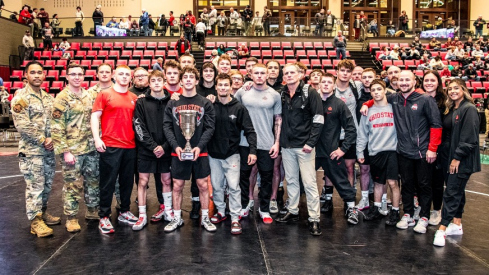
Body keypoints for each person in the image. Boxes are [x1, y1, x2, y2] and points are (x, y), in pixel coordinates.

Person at [360, 70, 442, 234]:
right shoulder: (395, 98)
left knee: (424, 185)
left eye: (407, 80)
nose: (404, 83)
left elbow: (436, 124)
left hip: (422, 151)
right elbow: (378, 98)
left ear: (414, 81)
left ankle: (424, 217)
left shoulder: (425, 99)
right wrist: (366, 104)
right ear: (397, 82)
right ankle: (408, 214)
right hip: (403, 151)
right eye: (401, 80)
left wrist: (432, 148)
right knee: (407, 185)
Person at [162, 67, 216, 232]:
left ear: (196, 81)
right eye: (185, 77)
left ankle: (205, 217)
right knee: (177, 185)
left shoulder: (205, 102)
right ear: (181, 80)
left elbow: (210, 127)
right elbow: (167, 126)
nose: (188, 80)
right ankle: (176, 218)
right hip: (178, 150)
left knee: (202, 185)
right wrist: (176, 146)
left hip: (200, 151)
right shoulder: (173, 102)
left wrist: (199, 147)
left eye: (191, 77)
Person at [11, 61, 59, 238]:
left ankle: (43, 212)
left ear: (44, 75)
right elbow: (22, 124)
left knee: (46, 185)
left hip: (48, 151)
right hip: (32, 151)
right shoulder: (20, 98)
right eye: (33, 72)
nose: (37, 75)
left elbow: (55, 121)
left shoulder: (47, 98)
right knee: (35, 186)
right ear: (26, 75)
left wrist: (53, 139)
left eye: (40, 72)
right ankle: (35, 221)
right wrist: (42, 139)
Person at [275, 64, 324, 236]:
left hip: (305, 147)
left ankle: (314, 218)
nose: (289, 75)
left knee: (310, 183)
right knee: (292, 181)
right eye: (286, 73)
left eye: (292, 72)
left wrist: (311, 143)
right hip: (287, 146)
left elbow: (318, 120)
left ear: (300, 74)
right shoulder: (282, 93)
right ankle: (293, 210)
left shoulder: (310, 93)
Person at [205, 73, 257, 234]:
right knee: (217, 186)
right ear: (216, 87)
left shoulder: (238, 107)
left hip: (232, 154)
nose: (223, 88)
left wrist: (253, 151)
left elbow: (250, 130)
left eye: (225, 85)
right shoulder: (210, 105)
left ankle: (235, 217)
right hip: (213, 154)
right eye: (220, 85)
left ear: (230, 86)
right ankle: (221, 211)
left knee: (234, 187)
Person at [50, 64, 99, 233]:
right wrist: (65, 151)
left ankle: (92, 210)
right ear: (67, 76)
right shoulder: (62, 98)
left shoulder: (88, 95)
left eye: (80, 74)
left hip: (90, 147)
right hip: (73, 150)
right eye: (73, 74)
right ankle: (71, 217)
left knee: (93, 181)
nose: (77, 77)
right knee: (72, 184)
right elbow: (56, 127)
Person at [91, 65, 139, 234]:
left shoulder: (134, 97)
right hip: (110, 145)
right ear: (114, 75)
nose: (124, 77)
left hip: (130, 146)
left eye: (127, 74)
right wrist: (97, 138)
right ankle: (104, 216)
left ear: (131, 78)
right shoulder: (105, 94)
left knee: (127, 182)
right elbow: (95, 117)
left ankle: (124, 211)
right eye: (121, 74)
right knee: (107, 183)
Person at [433, 79, 481, 247]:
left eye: (456, 88)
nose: (452, 91)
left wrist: (457, 158)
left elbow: (469, 139)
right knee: (457, 190)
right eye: (449, 89)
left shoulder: (469, 109)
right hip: (447, 157)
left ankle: (442, 229)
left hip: (459, 159)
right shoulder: (453, 108)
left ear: (464, 89)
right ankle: (457, 224)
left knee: (452, 192)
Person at [234, 64, 281, 223]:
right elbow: (234, 113)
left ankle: (264, 209)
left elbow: (278, 120)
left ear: (267, 75)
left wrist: (276, 142)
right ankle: (244, 205)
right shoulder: (242, 92)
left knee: (266, 176)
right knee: (244, 176)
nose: (260, 75)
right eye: (256, 73)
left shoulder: (274, 95)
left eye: (262, 73)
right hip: (244, 142)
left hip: (266, 142)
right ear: (250, 75)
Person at [132, 70, 173, 231]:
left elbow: (174, 126)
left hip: (165, 148)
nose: (156, 83)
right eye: (153, 80)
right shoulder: (141, 102)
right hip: (146, 149)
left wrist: (164, 147)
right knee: (142, 182)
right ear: (149, 83)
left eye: (159, 80)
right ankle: (142, 215)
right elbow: (138, 125)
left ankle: (168, 210)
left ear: (164, 82)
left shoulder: (172, 101)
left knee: (166, 181)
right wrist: (152, 146)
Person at [315, 73, 359, 224]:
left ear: (334, 86)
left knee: (341, 181)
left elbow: (351, 129)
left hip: (331, 152)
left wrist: (343, 149)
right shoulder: (312, 103)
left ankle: (352, 209)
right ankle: (294, 208)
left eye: (329, 82)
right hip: (312, 152)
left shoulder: (339, 104)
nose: (326, 84)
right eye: (323, 82)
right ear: (318, 84)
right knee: (301, 181)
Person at [357, 79, 401, 225]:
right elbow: (362, 134)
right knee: (378, 182)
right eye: (373, 90)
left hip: (392, 151)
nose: (376, 92)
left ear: (384, 91)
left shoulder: (393, 108)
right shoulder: (367, 111)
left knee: (392, 182)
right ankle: (376, 209)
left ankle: (395, 211)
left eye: (379, 89)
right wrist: (359, 153)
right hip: (375, 151)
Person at [421, 71, 448, 226]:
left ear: (438, 82)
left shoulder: (444, 102)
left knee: (437, 181)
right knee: (423, 181)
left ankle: (436, 210)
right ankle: (423, 208)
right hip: (422, 146)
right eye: (426, 80)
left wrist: (436, 147)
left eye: (432, 80)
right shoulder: (419, 98)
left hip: (438, 146)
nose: (429, 83)